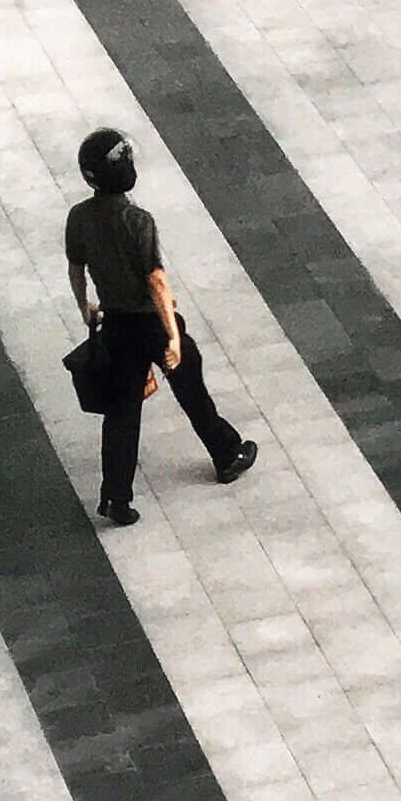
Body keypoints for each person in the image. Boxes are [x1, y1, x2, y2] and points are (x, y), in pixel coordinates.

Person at [64, 128, 256, 527]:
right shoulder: (137, 221)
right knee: (190, 386)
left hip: (116, 325)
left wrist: (86, 309)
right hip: (152, 323)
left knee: (121, 411)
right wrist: (172, 336)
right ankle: (226, 454)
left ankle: (116, 498)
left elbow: (76, 268)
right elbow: (157, 282)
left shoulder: (80, 217)